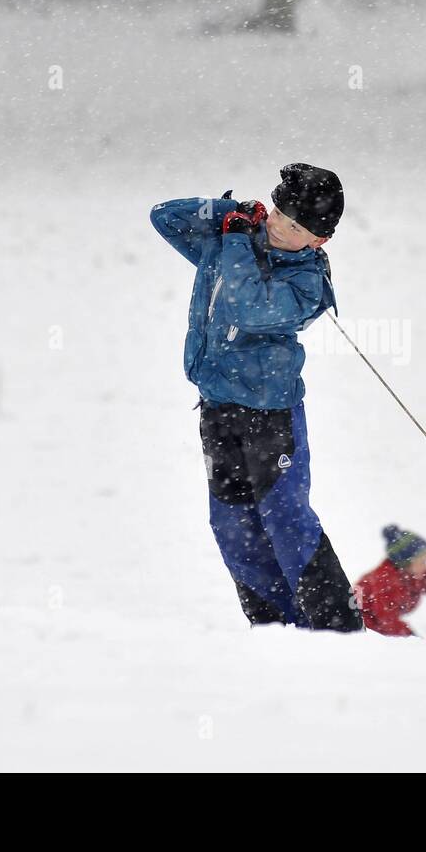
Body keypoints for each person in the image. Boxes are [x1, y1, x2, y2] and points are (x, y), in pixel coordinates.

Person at [150, 163, 364, 632]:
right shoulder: (237, 241)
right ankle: (271, 629)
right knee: (232, 524)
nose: (279, 227)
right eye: (277, 214)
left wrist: (232, 239)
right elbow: (164, 216)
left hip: (270, 414)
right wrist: (235, 214)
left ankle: (337, 629)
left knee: (285, 518)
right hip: (216, 407)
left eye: (295, 226)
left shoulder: (306, 280)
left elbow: (251, 307)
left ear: (319, 241)